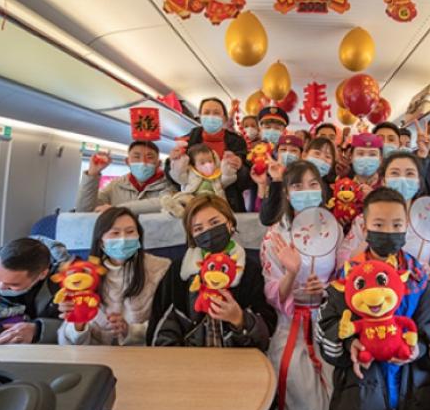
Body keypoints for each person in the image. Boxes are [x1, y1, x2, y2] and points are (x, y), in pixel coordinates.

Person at [318, 188, 430, 410]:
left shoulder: (418, 277)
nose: (389, 231)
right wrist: (348, 344)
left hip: (414, 389)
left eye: (396, 225)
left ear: (406, 228)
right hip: (360, 392)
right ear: (364, 228)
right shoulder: (348, 276)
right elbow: (325, 330)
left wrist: (418, 349)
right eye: (379, 225)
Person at [261, 161, 341, 410]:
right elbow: (273, 295)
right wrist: (292, 273)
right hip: (290, 323)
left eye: (313, 184)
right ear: (286, 193)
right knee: (302, 396)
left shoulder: (335, 229)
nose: (306, 191)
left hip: (329, 320)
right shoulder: (274, 237)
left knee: (337, 390)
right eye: (297, 186)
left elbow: (344, 277)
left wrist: (326, 289)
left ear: (322, 189)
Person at [147, 195, 276, 348]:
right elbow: (159, 329)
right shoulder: (179, 271)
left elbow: (266, 331)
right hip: (187, 364)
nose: (208, 231)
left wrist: (240, 319)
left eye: (214, 222)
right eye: (198, 229)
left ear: (230, 223)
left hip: (238, 363)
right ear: (192, 236)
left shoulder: (249, 269)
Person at [58, 207, 171, 346]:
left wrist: (130, 331)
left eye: (130, 232)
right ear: (101, 242)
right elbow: (70, 342)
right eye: (115, 233)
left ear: (139, 237)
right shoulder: (83, 275)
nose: (123, 239)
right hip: (96, 357)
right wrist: (78, 324)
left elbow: (168, 325)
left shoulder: (161, 269)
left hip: (143, 356)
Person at [337, 152, 430, 281]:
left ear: (419, 182)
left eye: (410, 174)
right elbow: (343, 261)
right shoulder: (364, 220)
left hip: (416, 296)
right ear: (383, 181)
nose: (402, 179)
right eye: (395, 173)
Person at [167, 97, 251, 212]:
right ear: (200, 116)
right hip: (194, 204)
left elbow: (247, 180)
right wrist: (173, 161)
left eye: (216, 113)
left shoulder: (237, 142)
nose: (211, 116)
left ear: (225, 118)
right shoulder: (187, 140)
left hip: (229, 203)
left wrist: (240, 166)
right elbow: (172, 176)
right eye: (206, 113)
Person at [76, 141, 177, 214]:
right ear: (127, 162)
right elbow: (84, 211)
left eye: (149, 157)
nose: (143, 162)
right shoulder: (115, 185)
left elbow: (164, 203)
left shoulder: (170, 184)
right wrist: (92, 173)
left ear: (158, 163)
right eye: (137, 157)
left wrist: (116, 210)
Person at [256, 137, 338, 226]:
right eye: (317, 153)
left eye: (328, 157)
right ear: (304, 155)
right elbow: (267, 219)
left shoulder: (332, 189)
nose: (322, 159)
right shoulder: (287, 181)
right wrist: (277, 180)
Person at [161, 143, 237, 218]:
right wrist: (179, 162)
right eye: (202, 163)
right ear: (193, 164)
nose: (208, 165)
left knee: (220, 207)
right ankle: (175, 208)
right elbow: (179, 176)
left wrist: (227, 171)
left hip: (212, 200)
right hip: (193, 198)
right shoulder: (190, 174)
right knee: (184, 199)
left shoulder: (216, 174)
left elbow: (225, 181)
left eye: (210, 161)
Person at [350, 133, 383, 198]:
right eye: (360, 153)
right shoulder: (343, 185)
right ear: (351, 158)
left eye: (372, 154)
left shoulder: (386, 186)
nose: (366, 158)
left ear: (380, 159)